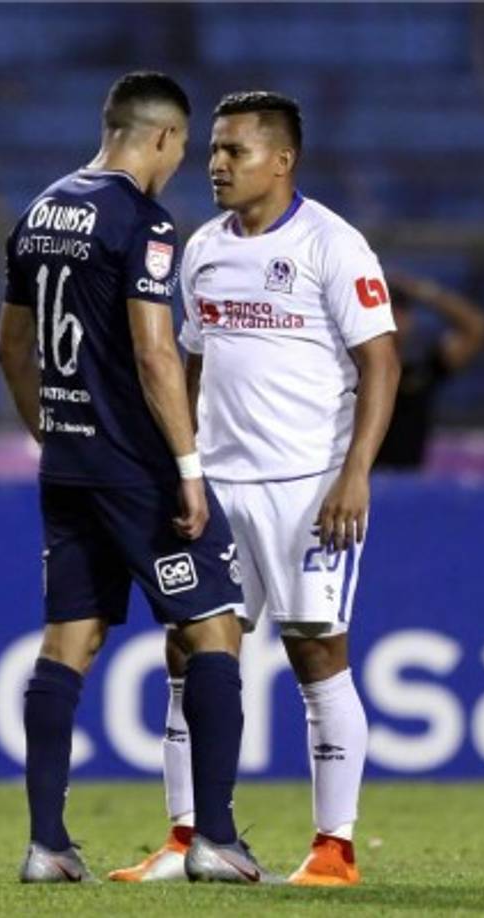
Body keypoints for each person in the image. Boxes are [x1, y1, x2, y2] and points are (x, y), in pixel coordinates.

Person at [109, 91, 400, 887]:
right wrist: (184, 462)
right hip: (219, 491)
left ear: (282, 159)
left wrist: (353, 475)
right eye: (211, 151)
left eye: (234, 151)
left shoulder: (331, 245)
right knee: (190, 654)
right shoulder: (202, 248)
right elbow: (191, 366)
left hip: (310, 490)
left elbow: (382, 364)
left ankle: (333, 851)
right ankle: (187, 838)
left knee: (316, 655)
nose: (215, 165)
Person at [0, 72, 274, 885]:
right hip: (136, 468)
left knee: (68, 642)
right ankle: (214, 838)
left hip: (69, 466)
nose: (183, 163)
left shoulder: (37, 212)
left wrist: (55, 436)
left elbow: (9, 352)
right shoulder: (141, 221)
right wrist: (186, 470)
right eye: (185, 148)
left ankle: (47, 845)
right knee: (213, 626)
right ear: (159, 138)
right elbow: (157, 353)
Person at [376, 272, 484, 469]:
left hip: (408, 481)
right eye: (387, 309)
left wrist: (423, 292)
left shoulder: (423, 366)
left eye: (400, 310)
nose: (394, 318)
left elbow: (477, 326)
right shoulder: (350, 365)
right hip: (358, 480)